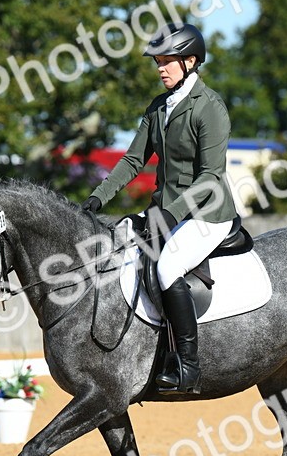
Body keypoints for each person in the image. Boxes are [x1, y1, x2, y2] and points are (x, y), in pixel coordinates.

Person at [81, 22, 238, 395]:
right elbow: (133, 161)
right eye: (159, 62)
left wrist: (172, 212)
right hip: (165, 211)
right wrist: (97, 198)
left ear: (191, 62)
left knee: (167, 266)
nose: (161, 68)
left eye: (168, 61)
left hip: (206, 213)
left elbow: (211, 176)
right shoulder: (158, 108)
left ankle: (188, 365)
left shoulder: (209, 107)